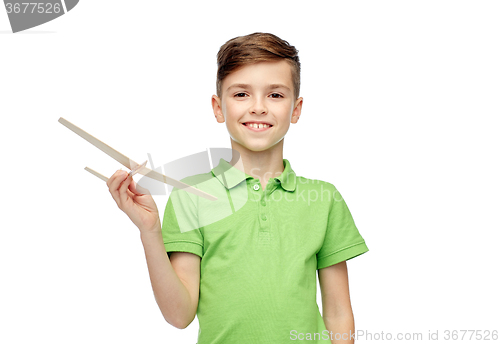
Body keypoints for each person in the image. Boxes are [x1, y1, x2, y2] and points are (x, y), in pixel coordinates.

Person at [106, 32, 369, 344]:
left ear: (296, 109)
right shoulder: (190, 195)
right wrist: (150, 231)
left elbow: (338, 313)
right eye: (241, 94)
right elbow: (179, 315)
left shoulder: (325, 199)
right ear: (218, 108)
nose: (258, 107)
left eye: (275, 95)